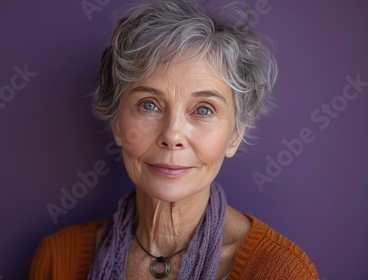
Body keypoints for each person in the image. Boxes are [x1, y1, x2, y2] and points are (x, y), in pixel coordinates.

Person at [30, 0, 318, 279]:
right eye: (149, 104)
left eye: (204, 109)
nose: (172, 136)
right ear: (117, 124)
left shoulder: (280, 271)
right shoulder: (57, 259)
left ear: (235, 135)